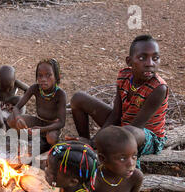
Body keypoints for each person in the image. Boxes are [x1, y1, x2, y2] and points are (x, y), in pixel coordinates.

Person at [70, 35, 168, 167]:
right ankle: (85, 142)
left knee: (129, 132)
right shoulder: (124, 76)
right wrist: (93, 141)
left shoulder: (158, 88)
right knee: (78, 98)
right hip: (124, 125)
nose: (150, 63)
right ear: (129, 61)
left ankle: (97, 155)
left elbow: (136, 126)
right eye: (142, 58)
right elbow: (116, 114)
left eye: (155, 58)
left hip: (145, 136)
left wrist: (97, 142)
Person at [7, 58, 67, 148]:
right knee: (11, 119)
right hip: (38, 121)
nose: (43, 79)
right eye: (40, 76)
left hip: (52, 126)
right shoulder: (35, 88)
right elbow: (16, 107)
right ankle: (32, 140)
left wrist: (42, 130)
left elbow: (61, 123)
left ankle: (46, 145)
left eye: (48, 75)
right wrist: (18, 118)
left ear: (56, 76)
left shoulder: (60, 94)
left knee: (51, 138)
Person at [0, 65, 29, 130]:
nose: (7, 90)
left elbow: (28, 90)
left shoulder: (17, 83)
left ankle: (19, 119)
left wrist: (16, 105)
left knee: (20, 99)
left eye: (10, 88)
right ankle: (1, 123)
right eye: (3, 88)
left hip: (11, 103)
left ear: (14, 80)